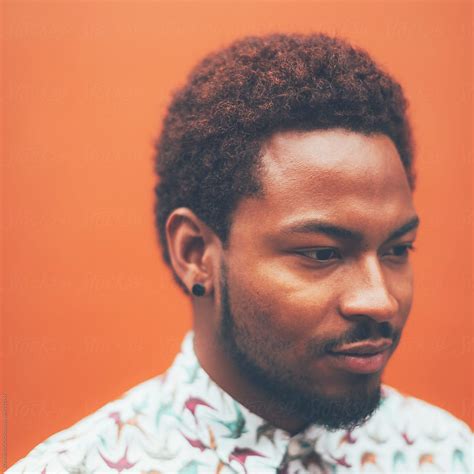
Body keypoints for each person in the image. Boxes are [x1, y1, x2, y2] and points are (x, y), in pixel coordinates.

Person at [7, 33, 472, 474]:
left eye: (397, 249)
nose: (380, 300)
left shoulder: (446, 453)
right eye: (321, 253)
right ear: (195, 253)